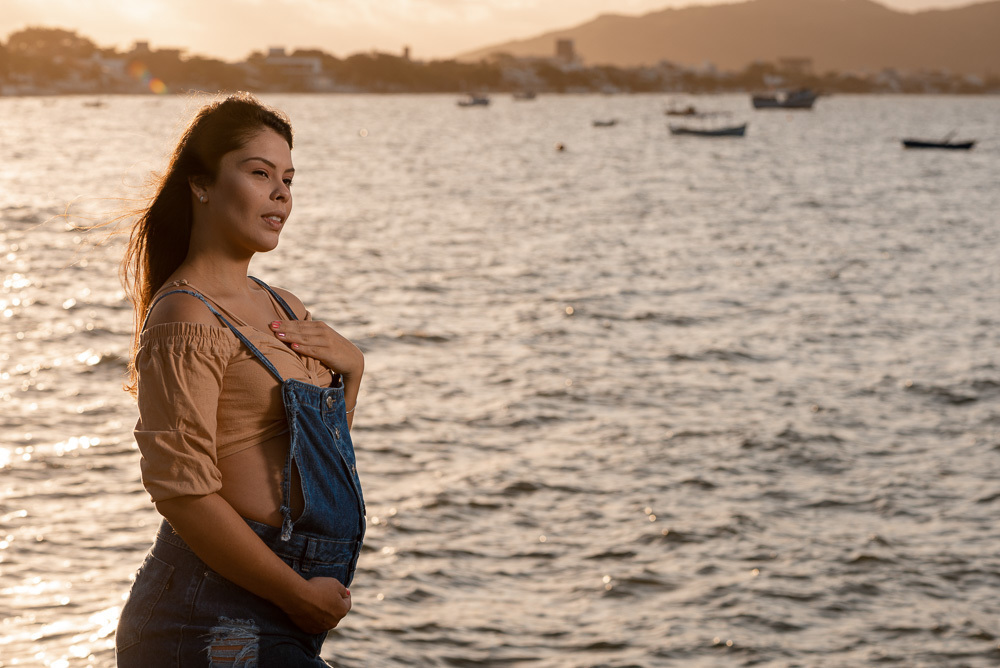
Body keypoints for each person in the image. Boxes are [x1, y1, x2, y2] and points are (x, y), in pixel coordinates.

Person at [114, 92, 366, 667]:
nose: (282, 193)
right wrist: (298, 594)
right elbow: (181, 492)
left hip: (280, 606)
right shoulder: (187, 315)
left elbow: (320, 458)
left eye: (288, 178)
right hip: (207, 613)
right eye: (260, 173)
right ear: (201, 184)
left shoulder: (283, 306)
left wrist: (352, 371)